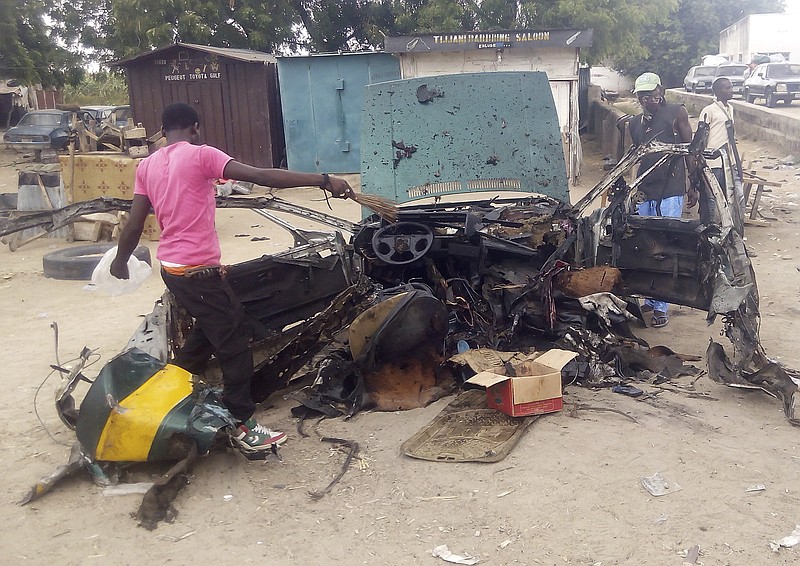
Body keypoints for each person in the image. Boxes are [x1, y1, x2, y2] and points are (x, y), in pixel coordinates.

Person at [110, 102, 354, 454]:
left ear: (163, 132)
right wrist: (324, 180)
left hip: (173, 270)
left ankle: (166, 394)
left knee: (207, 333)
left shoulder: (147, 165)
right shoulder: (201, 155)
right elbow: (263, 177)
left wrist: (120, 261)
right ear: (194, 128)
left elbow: (134, 223)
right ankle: (242, 423)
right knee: (234, 341)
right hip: (197, 274)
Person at [627, 72, 697, 328]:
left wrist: (694, 185)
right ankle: (648, 296)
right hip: (646, 189)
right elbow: (637, 157)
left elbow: (691, 151)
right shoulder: (634, 123)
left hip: (672, 188)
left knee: (666, 247)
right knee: (644, 244)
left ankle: (662, 306)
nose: (648, 99)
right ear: (638, 97)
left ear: (660, 92)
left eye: (652, 94)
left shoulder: (677, 112)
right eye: (642, 95)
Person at [699, 77, 744, 222]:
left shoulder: (730, 109)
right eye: (727, 88)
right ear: (718, 91)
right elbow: (701, 138)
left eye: (731, 87)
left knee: (738, 196)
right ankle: (711, 230)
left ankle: (736, 228)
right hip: (714, 163)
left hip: (729, 161)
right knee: (713, 198)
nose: (731, 91)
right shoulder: (709, 111)